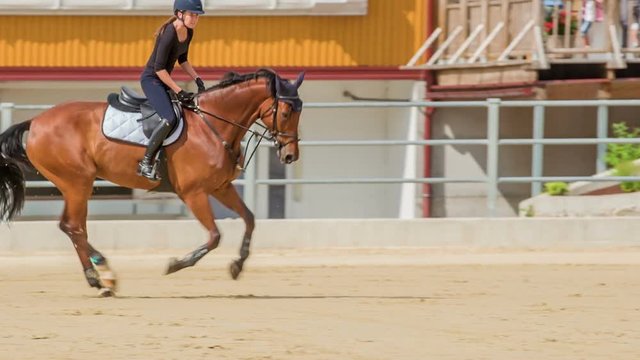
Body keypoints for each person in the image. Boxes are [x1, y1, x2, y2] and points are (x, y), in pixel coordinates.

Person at [137, 0, 207, 180]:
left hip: (164, 80)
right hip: (152, 80)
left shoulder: (189, 31)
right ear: (180, 14)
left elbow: (182, 60)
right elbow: (159, 69)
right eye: (192, 14)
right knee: (169, 118)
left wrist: (197, 79)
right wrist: (178, 90)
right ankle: (145, 162)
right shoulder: (169, 33)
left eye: (197, 15)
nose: (195, 19)